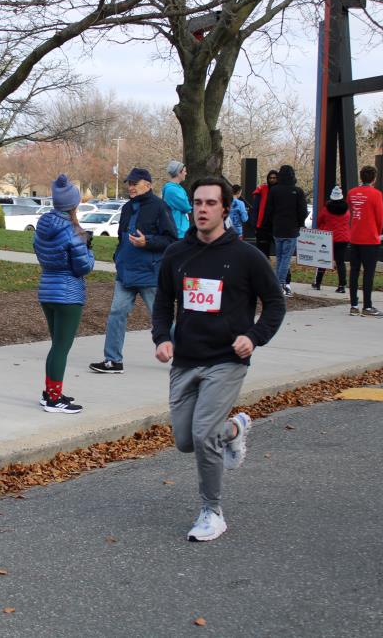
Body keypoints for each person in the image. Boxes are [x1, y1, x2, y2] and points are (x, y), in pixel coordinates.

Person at [152, 176, 285, 542]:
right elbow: (163, 302)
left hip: (226, 360)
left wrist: (253, 337)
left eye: (211, 203)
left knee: (203, 433)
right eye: (197, 203)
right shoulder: (177, 254)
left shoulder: (246, 256)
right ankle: (235, 429)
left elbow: (275, 303)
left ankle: (212, 512)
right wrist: (162, 338)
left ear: (225, 208)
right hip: (185, 359)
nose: (202, 210)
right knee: (185, 440)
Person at [89, 167, 177, 374]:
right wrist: (118, 256)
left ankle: (190, 355)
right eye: (129, 183)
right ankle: (113, 360)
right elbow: (122, 236)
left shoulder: (160, 207)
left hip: (150, 273)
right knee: (116, 313)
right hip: (125, 272)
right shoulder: (127, 207)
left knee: (160, 317)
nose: (131, 187)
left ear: (148, 185)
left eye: (134, 183)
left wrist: (148, 242)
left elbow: (171, 239)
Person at [34, 174, 95, 413]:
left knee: (56, 345)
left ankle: (50, 392)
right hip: (68, 294)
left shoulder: (43, 225)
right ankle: (54, 399)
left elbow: (40, 253)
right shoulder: (72, 231)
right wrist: (89, 249)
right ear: (73, 204)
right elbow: (84, 267)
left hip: (47, 290)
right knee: (61, 347)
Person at [262, 165, 307, 297]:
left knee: (280, 257)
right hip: (291, 229)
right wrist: (300, 224)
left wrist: (270, 224)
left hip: (277, 228)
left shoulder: (274, 191)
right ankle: (280, 284)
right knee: (286, 258)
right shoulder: (298, 191)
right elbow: (303, 211)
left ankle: (277, 283)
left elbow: (269, 210)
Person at [347, 165, 383, 317]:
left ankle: (353, 305)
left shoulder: (351, 193)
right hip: (370, 238)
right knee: (368, 273)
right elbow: (380, 217)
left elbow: (351, 212)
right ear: (374, 178)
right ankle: (367, 306)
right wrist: (378, 232)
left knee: (354, 271)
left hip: (355, 236)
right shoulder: (376, 194)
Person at [312, 185, 350, 292]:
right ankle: (341, 286)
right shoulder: (346, 210)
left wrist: (323, 228)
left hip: (328, 238)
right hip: (343, 238)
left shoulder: (326, 209)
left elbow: (319, 221)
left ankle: (317, 283)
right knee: (340, 262)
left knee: (323, 260)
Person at [250, 169, 279, 257]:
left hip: (276, 225)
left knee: (280, 251)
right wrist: (254, 223)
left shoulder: (280, 190)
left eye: (274, 178)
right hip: (263, 225)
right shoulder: (262, 189)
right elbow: (256, 208)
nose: (272, 180)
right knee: (263, 251)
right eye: (270, 178)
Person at [162, 160, 191, 235]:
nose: (186, 173)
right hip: (178, 231)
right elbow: (186, 207)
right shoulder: (172, 190)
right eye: (184, 171)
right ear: (178, 173)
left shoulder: (177, 188)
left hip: (180, 230)